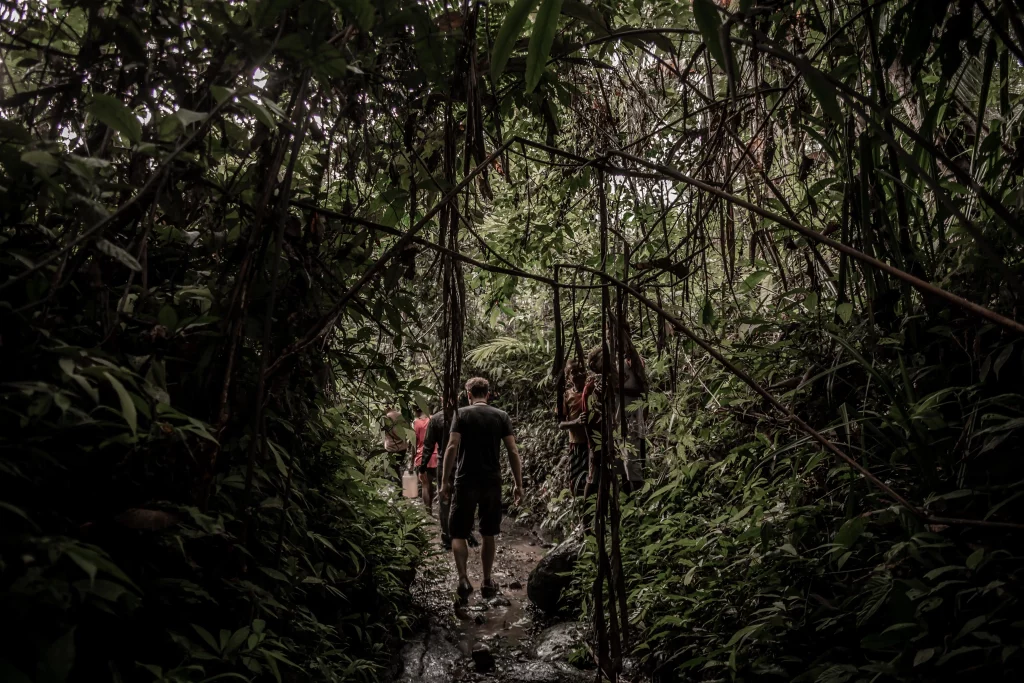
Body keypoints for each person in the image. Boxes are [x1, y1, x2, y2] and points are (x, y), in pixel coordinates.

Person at [439, 377, 524, 599]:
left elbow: (451, 446)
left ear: (468, 395)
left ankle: (464, 579)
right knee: (488, 532)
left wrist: (445, 480)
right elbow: (513, 451)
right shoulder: (500, 416)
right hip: (491, 481)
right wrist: (518, 484)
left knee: (458, 531)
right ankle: (486, 582)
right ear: (488, 394)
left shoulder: (461, 414)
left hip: (465, 480)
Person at [557, 359, 589, 496]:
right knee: (576, 480)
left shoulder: (593, 390)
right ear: (568, 377)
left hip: (593, 443)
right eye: (574, 372)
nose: (579, 374)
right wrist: (576, 422)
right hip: (576, 444)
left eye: (582, 370)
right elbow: (561, 424)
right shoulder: (566, 396)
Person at [412, 406, 437, 515]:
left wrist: (412, 460)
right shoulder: (433, 419)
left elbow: (414, 444)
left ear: (415, 411)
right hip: (436, 455)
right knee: (437, 483)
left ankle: (428, 512)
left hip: (422, 457)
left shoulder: (415, 423)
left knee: (425, 485)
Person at [381, 407, 409, 483]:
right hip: (403, 447)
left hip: (391, 448)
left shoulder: (385, 418)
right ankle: (401, 486)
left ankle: (399, 490)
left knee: (394, 471)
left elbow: (383, 432)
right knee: (398, 467)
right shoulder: (401, 415)